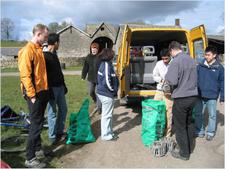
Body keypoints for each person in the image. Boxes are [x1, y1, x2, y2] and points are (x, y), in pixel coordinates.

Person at [18, 24, 49, 168]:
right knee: (35, 126)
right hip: (34, 94)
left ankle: (38, 149)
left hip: (42, 92)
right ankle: (29, 158)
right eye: (45, 36)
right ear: (38, 34)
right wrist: (32, 95)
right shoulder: (27, 50)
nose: (46, 39)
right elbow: (25, 75)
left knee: (39, 122)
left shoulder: (39, 50)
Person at [165, 41, 198, 161]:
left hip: (181, 98)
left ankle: (184, 153)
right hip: (193, 97)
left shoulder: (176, 62)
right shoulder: (191, 60)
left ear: (172, 50)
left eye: (170, 53)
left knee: (180, 126)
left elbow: (171, 81)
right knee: (189, 123)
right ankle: (189, 147)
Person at [195, 46, 224, 141]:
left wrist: (222, 97)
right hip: (200, 95)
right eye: (205, 54)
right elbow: (195, 79)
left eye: (208, 55)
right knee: (198, 113)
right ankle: (200, 130)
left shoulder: (219, 68)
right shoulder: (200, 66)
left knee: (212, 115)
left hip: (212, 96)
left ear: (214, 55)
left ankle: (210, 132)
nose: (206, 56)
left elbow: (222, 82)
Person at [43, 33, 68, 144]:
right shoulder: (45, 56)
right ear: (55, 43)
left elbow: (59, 72)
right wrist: (48, 91)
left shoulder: (55, 54)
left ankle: (59, 132)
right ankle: (52, 137)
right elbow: (44, 76)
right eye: (59, 42)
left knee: (63, 109)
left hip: (60, 87)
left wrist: (64, 85)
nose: (59, 44)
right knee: (52, 113)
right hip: (51, 89)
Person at [96, 48, 119, 141]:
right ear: (109, 55)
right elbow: (106, 81)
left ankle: (109, 132)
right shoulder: (106, 65)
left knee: (108, 114)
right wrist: (113, 91)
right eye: (112, 55)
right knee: (107, 115)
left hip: (105, 93)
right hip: (106, 94)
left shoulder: (107, 64)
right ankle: (105, 135)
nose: (113, 56)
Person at [153, 48, 173, 137]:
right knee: (155, 110)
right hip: (159, 90)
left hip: (169, 92)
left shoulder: (174, 64)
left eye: (166, 59)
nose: (164, 61)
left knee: (168, 113)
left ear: (170, 56)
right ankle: (157, 131)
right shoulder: (158, 64)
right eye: (163, 58)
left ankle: (167, 133)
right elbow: (154, 75)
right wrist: (161, 79)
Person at [81, 42, 101, 113]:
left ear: (98, 50)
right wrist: (83, 76)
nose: (94, 50)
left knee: (98, 92)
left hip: (99, 79)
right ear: (91, 49)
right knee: (91, 92)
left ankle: (99, 108)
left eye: (95, 49)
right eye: (92, 49)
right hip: (90, 78)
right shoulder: (88, 57)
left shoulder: (100, 57)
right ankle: (96, 101)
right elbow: (85, 67)